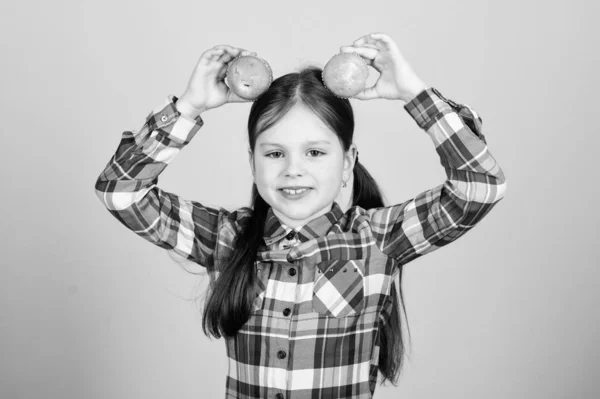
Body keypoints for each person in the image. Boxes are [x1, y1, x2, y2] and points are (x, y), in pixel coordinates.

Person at [94, 32, 507, 399]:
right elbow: (120, 193)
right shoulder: (226, 239)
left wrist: (415, 94)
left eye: (315, 152)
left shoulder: (378, 240)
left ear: (347, 163)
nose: (293, 169)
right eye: (274, 153)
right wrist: (187, 107)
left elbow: (480, 187)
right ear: (252, 162)